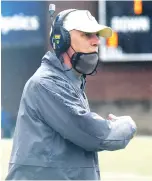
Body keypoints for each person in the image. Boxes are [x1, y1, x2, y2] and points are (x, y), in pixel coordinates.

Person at [6, 9, 137, 180]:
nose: (97, 41)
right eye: (87, 34)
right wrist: (127, 125)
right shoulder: (47, 83)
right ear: (62, 40)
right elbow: (93, 134)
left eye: (97, 34)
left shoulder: (70, 81)